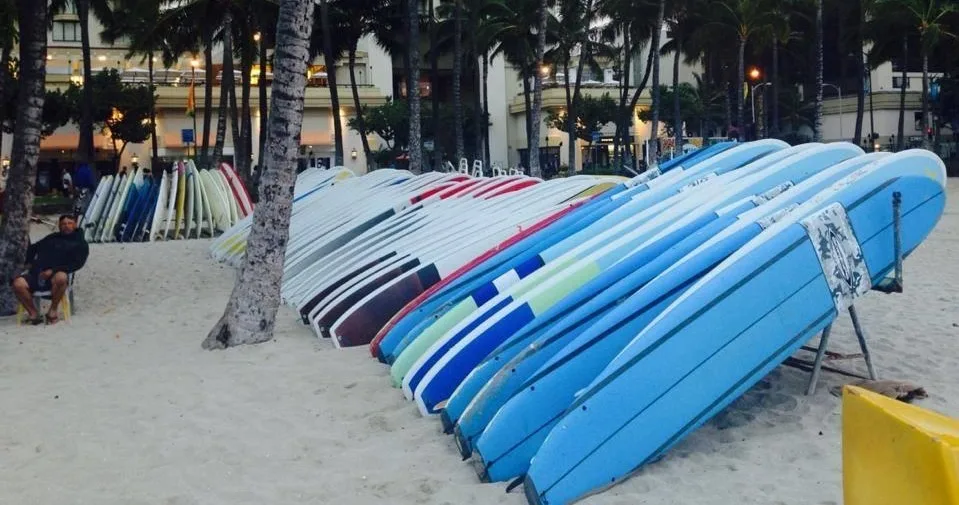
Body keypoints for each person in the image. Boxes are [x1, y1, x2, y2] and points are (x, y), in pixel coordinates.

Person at [12, 214, 89, 325]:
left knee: (61, 277)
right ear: (59, 226)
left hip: (56, 276)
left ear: (75, 225)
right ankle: (33, 313)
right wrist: (27, 263)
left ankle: (52, 311)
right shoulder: (52, 237)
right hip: (37, 273)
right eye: (63, 224)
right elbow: (34, 248)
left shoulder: (80, 244)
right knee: (17, 283)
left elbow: (77, 264)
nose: (66, 226)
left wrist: (53, 270)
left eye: (69, 223)